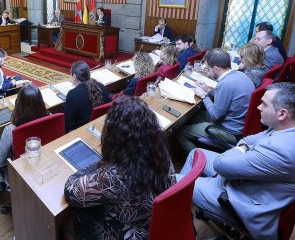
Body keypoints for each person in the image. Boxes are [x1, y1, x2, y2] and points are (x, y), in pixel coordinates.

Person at [178, 82, 295, 239]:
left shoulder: (282, 151)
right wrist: (243, 148)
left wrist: (241, 149)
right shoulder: (283, 127)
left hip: (240, 201)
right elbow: (247, 140)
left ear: (282, 114)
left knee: (174, 181)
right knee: (196, 153)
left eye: (264, 105)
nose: (258, 107)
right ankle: (182, 210)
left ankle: (179, 214)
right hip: (245, 177)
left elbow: (221, 164)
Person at [64, 96, 175, 239]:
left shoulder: (114, 176)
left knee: (76, 214)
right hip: (154, 221)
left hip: (131, 231)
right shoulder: (160, 152)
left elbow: (71, 191)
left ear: (114, 136)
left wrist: (101, 163)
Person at [177, 48, 255, 152]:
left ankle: (197, 163)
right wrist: (208, 90)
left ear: (216, 68)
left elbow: (215, 116)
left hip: (229, 131)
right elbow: (228, 97)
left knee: (181, 133)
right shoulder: (240, 75)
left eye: (208, 69)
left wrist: (204, 96)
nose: (208, 73)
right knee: (193, 115)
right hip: (239, 124)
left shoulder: (226, 84)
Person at [0, 83, 48, 191]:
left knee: (0, 160)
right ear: (41, 102)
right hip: (45, 161)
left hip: (21, 169)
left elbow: (0, 161)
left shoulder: (11, 129)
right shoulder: (51, 117)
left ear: (18, 103)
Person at [64, 61, 109, 132]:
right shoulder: (101, 86)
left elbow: (68, 125)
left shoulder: (72, 94)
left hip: (81, 131)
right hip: (100, 125)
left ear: (75, 76)